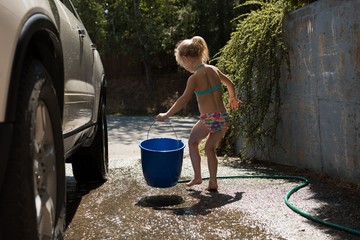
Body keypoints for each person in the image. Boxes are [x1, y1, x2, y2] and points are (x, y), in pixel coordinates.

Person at [156, 36, 240, 191]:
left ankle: (197, 176)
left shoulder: (194, 78)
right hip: (223, 118)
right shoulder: (213, 69)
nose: (184, 67)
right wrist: (233, 98)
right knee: (209, 148)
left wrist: (167, 114)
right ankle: (213, 182)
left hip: (209, 119)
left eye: (182, 63)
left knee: (193, 143)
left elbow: (183, 100)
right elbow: (230, 83)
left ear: (186, 58)